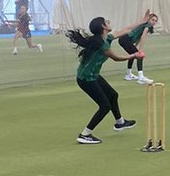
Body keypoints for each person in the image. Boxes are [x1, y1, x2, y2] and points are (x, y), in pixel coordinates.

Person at [65, 12, 151, 144]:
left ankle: (120, 123)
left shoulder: (106, 38)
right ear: (103, 26)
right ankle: (85, 134)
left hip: (93, 75)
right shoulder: (102, 44)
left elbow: (126, 29)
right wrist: (134, 55)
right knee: (104, 106)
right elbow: (116, 58)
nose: (109, 22)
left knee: (113, 95)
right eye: (106, 21)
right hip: (86, 79)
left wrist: (142, 21)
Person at [119, 16, 157, 84]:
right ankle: (141, 78)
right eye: (152, 20)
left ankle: (128, 75)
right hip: (125, 39)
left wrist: (136, 46)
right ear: (149, 20)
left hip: (124, 39)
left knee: (133, 55)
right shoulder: (147, 25)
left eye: (155, 21)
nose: (154, 22)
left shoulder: (148, 26)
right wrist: (140, 50)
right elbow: (143, 36)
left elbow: (139, 37)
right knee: (139, 56)